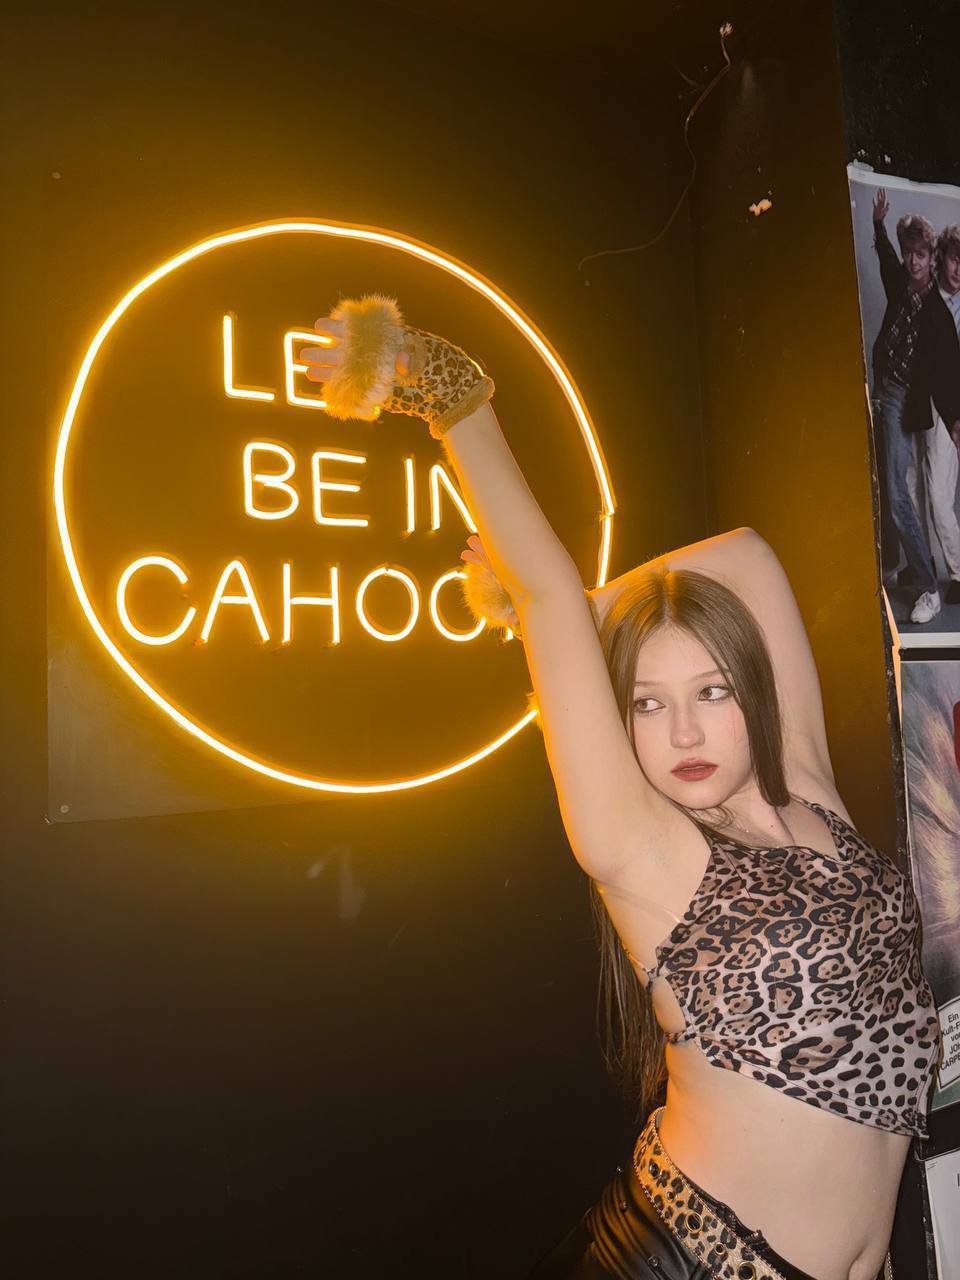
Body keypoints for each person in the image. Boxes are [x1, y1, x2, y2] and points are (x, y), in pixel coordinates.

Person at [300, 296, 942, 1280]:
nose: (682, 732)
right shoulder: (643, 849)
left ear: (753, 691)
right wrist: (449, 392)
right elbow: (550, 589)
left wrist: (602, 619)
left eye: (712, 691)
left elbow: (745, 555)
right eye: (644, 703)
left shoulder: (808, 790)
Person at [870, 189, 960, 625]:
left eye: (920, 255)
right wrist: (877, 224)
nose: (913, 262)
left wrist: (956, 422)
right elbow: (886, 259)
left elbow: (946, 376)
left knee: (899, 495)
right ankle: (903, 568)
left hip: (905, 401)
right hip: (884, 390)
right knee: (895, 489)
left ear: (930, 257)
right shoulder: (900, 282)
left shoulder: (938, 315)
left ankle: (929, 588)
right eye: (909, 254)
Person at [903, 223, 960, 606]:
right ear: (943, 258)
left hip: (951, 409)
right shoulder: (927, 294)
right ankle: (922, 564)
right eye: (955, 260)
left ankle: (958, 572)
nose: (959, 270)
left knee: (939, 494)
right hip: (921, 405)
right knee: (915, 489)